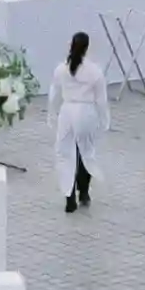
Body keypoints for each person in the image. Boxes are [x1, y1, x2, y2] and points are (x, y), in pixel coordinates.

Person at [53, 32, 108, 214]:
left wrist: (52, 115)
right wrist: (104, 118)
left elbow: (54, 94)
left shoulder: (61, 69)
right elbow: (101, 99)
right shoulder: (94, 71)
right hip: (86, 112)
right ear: (87, 47)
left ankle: (68, 196)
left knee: (65, 154)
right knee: (86, 151)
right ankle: (83, 191)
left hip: (67, 111)